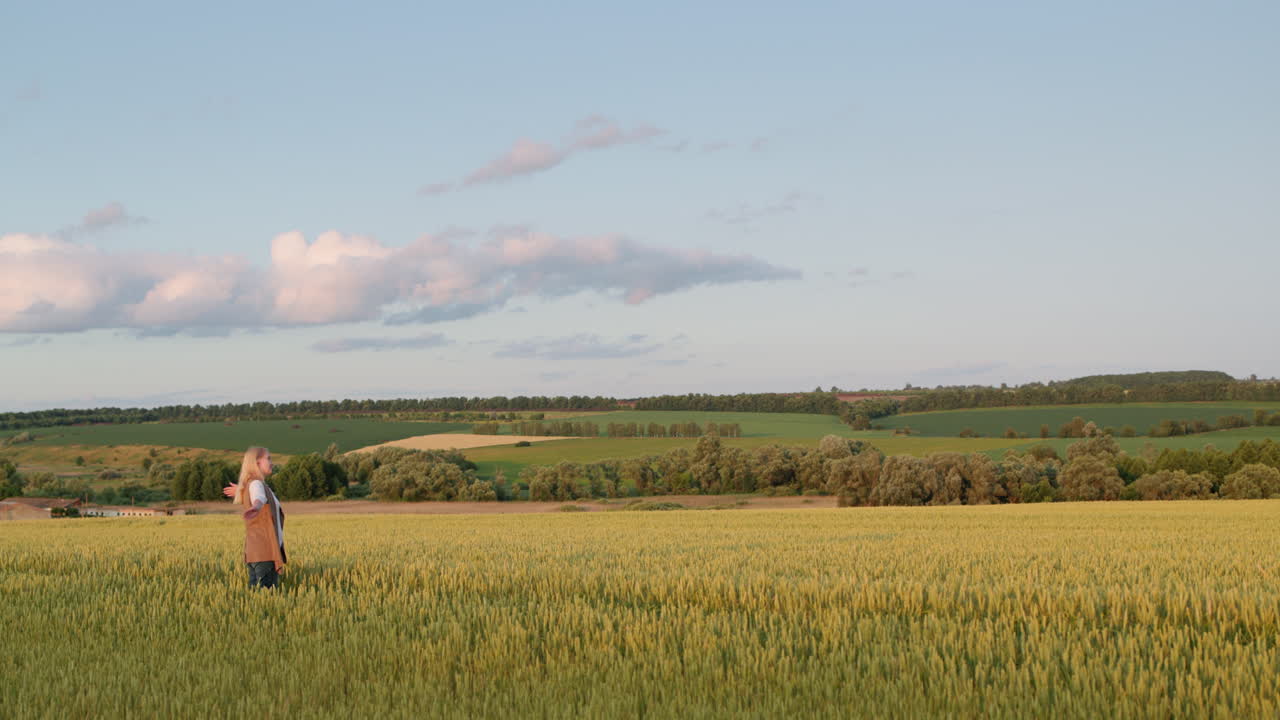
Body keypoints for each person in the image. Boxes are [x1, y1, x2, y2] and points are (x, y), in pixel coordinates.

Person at [222, 446, 286, 588]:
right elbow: (259, 498)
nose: (272, 462)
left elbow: (255, 493)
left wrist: (240, 490)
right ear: (257, 463)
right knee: (266, 597)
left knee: (255, 594)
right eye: (268, 459)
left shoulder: (253, 484)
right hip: (265, 553)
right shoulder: (256, 484)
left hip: (255, 552)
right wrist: (256, 507)